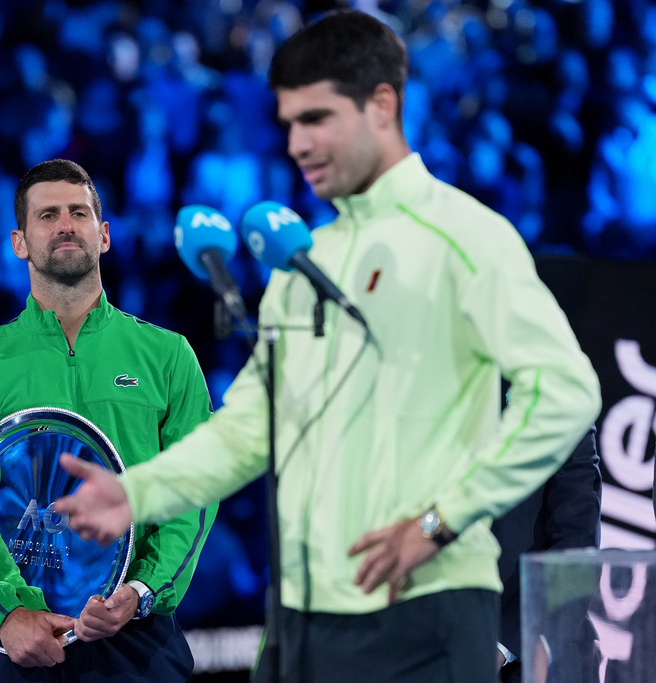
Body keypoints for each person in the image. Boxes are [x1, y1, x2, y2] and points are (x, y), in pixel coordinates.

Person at [53, 10, 601, 683]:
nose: (298, 144)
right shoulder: (306, 267)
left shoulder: (467, 238)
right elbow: (250, 428)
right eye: (288, 123)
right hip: (305, 625)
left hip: (432, 617)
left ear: (381, 106)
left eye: (317, 119)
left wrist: (438, 521)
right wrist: (138, 493)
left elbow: (567, 394)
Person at [0, 158, 216, 682]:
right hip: (12, 649)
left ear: (104, 234)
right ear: (20, 241)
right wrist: (2, 616)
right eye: (47, 215)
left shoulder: (168, 356)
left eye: (79, 212)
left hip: (135, 644)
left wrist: (139, 593)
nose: (66, 224)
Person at [492, 425, 602, 683]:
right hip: (419, 638)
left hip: (528, 653)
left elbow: (576, 540)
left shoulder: (562, 396)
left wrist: (504, 644)